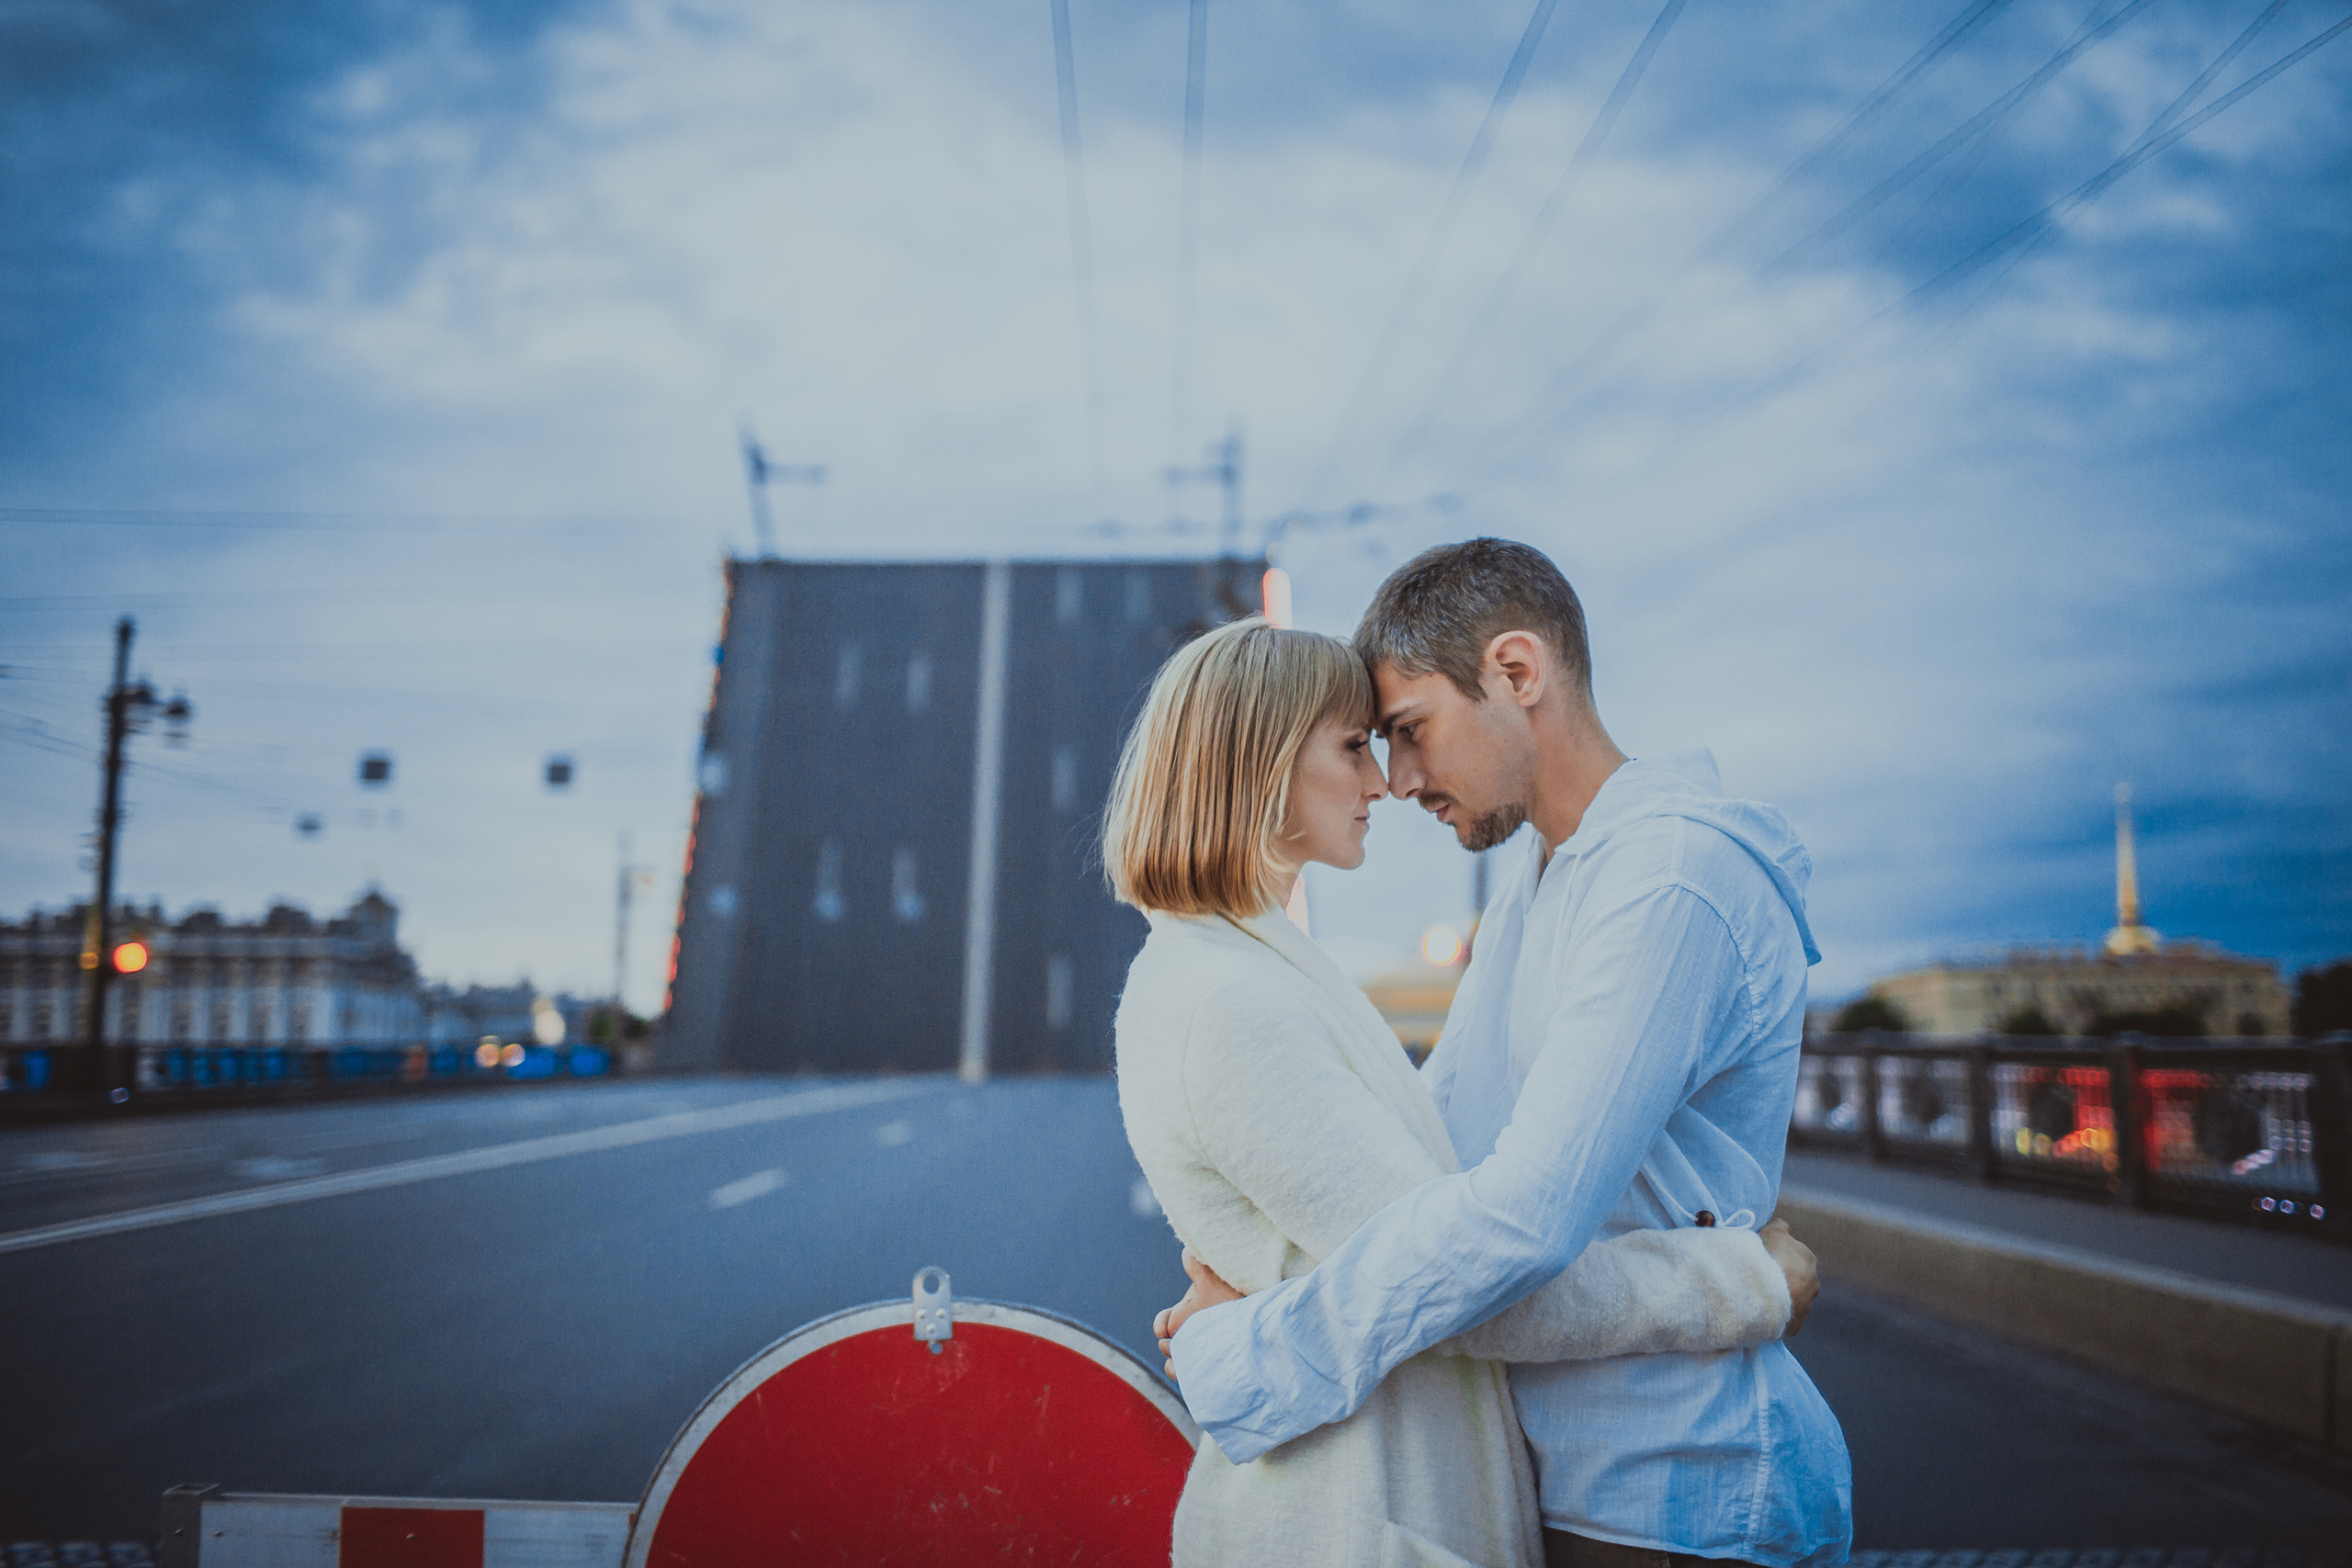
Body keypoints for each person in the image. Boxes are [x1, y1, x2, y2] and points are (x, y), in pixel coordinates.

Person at [1159, 541, 1854, 1568]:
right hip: (1574, 1480)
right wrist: (1264, 1279)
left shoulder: (1668, 883)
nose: (1396, 781)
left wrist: (1254, 1352)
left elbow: (1516, 1226)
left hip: (1677, 1490)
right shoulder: (1548, 878)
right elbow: (1428, 1161)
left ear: (1518, 674)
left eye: (1409, 732)